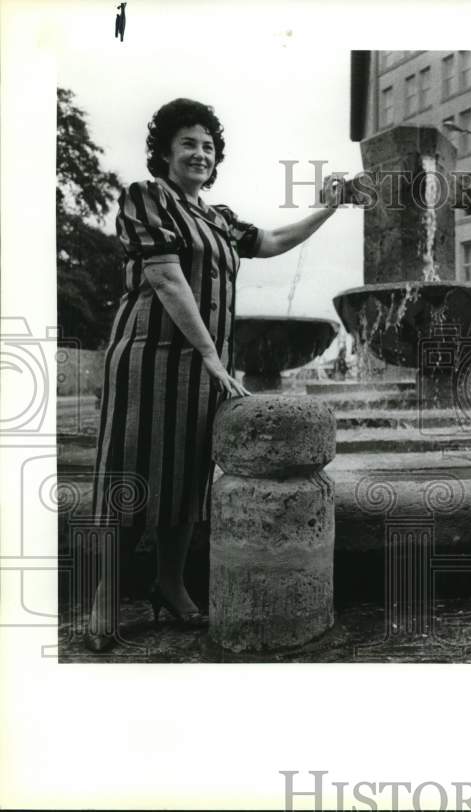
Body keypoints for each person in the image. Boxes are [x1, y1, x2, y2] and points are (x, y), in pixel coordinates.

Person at [86, 98, 343, 652]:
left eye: (207, 145)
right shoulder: (145, 198)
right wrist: (211, 356)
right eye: (188, 143)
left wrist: (328, 209)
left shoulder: (219, 218)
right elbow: (167, 280)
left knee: (187, 477)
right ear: (165, 152)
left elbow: (270, 243)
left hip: (206, 366)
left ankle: (170, 583)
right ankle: (105, 594)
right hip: (149, 359)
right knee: (129, 472)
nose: (199, 153)